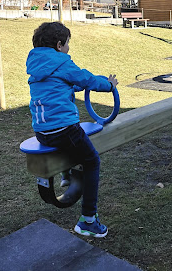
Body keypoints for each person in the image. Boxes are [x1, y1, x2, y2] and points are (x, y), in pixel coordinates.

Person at [26, 21, 118, 238]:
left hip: (42, 131)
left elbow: (62, 84)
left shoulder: (37, 65)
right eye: (67, 44)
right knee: (91, 160)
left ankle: (67, 175)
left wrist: (80, 84)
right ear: (59, 45)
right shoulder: (62, 62)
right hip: (64, 129)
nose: (68, 48)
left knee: (70, 145)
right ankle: (88, 220)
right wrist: (109, 85)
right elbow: (86, 79)